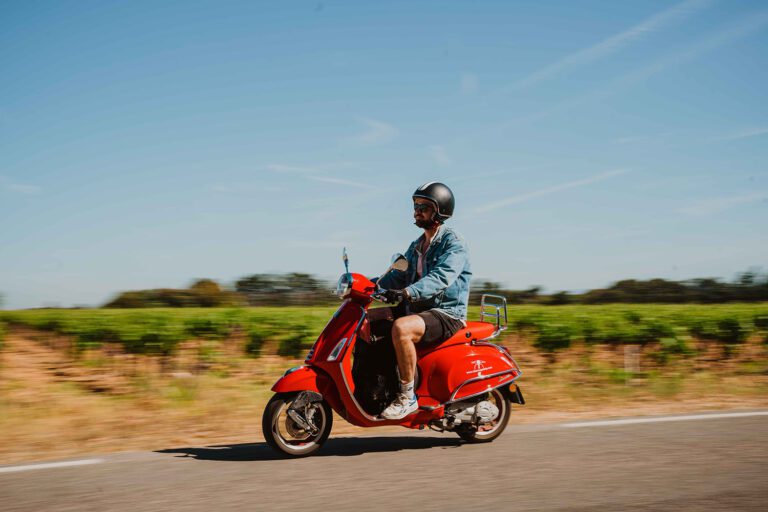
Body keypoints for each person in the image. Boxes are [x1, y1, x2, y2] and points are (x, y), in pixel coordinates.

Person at [375, 182, 472, 420]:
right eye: (416, 206)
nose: (417, 211)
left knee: (401, 328)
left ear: (440, 211)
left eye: (424, 207)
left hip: (446, 313)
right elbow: (398, 275)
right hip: (419, 310)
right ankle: (376, 387)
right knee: (365, 320)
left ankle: (407, 397)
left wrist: (407, 293)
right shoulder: (417, 245)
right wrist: (367, 286)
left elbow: (440, 278)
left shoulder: (453, 243)